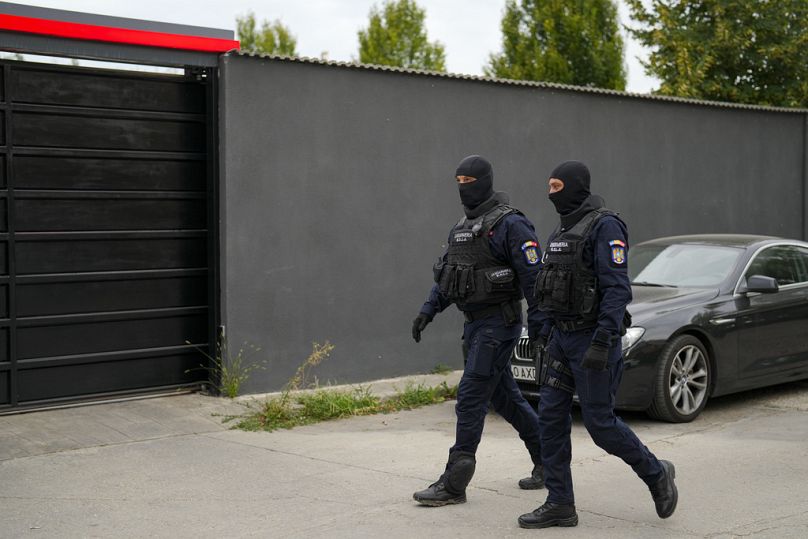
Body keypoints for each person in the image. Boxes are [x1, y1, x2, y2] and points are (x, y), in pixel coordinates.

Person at [517, 161, 678, 529]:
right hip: (561, 340)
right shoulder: (562, 228)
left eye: (556, 185)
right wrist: (541, 328)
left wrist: (604, 341)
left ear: (575, 186)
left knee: (601, 425)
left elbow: (617, 289)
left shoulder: (605, 226)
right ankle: (560, 503)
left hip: (593, 340)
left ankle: (657, 475)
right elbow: (547, 282)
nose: (550, 192)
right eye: (548, 186)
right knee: (551, 419)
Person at [411, 155, 546, 506]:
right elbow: (448, 276)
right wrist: (428, 311)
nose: (463, 187)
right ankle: (549, 460)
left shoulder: (512, 225)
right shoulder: (461, 228)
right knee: (506, 398)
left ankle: (455, 482)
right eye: (458, 180)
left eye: (469, 180)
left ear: (484, 181)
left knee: (470, 396)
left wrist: (542, 326)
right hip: (474, 327)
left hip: (498, 324)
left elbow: (535, 281)